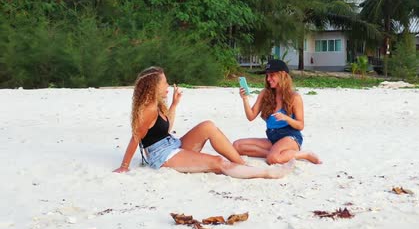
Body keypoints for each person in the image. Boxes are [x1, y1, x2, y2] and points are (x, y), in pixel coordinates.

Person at [113, 66, 292, 179]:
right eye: (164, 83)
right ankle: (266, 173)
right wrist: (124, 166)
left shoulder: (156, 105)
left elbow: (165, 128)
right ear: (153, 87)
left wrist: (174, 104)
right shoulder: (147, 110)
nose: (167, 86)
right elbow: (135, 138)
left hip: (172, 145)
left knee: (208, 126)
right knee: (217, 162)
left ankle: (242, 165)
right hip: (162, 156)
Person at [233, 59, 321, 165]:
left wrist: (286, 118)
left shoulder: (294, 97)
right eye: (267, 76)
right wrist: (245, 99)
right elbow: (251, 116)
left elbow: (300, 125)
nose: (268, 79)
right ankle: (277, 152)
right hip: (272, 137)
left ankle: (305, 154)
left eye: (272, 75)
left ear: (282, 75)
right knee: (236, 146)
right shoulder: (265, 93)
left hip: (290, 137)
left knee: (273, 159)